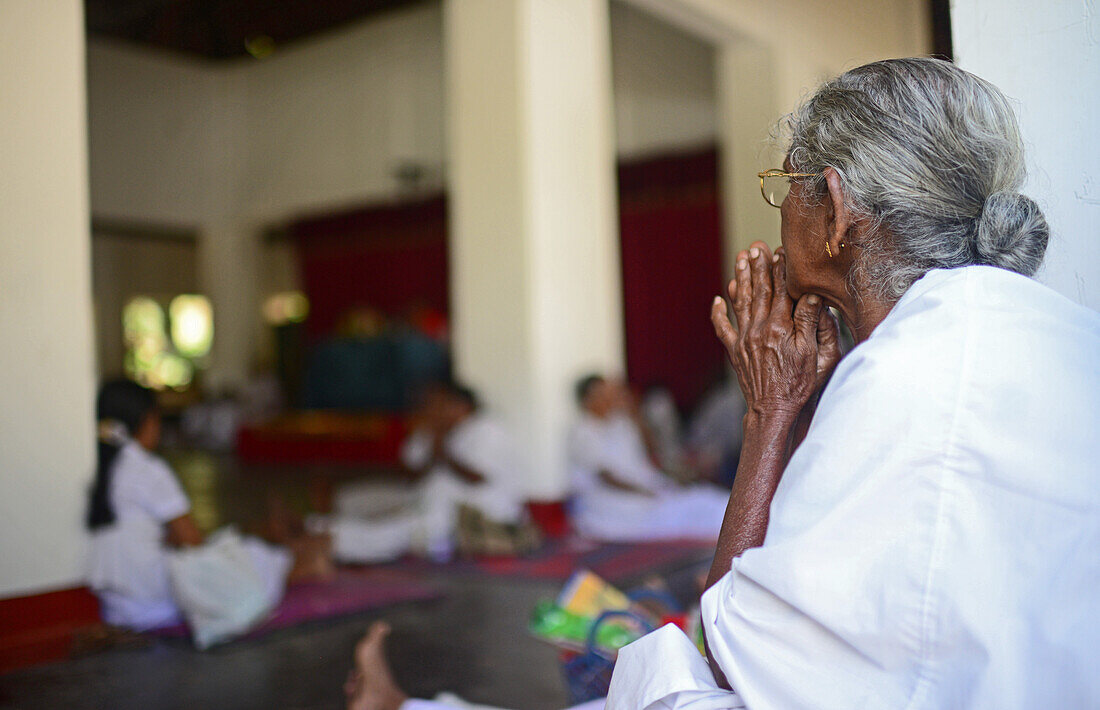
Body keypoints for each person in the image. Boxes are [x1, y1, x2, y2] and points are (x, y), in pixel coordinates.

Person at [342, 58, 1100, 710]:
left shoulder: (904, 372)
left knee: (652, 677)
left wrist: (770, 415)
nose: (779, 218)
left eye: (787, 188)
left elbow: (726, 655)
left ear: (835, 210)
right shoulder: (1042, 330)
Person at [85, 379, 316, 632]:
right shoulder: (147, 469)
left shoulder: (97, 465)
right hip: (153, 604)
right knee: (251, 555)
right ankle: (304, 562)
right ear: (147, 420)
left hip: (116, 607)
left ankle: (286, 544)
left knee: (235, 546)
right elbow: (191, 539)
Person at [318, 382, 528, 563]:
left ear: (460, 406)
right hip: (422, 498)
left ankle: (325, 540)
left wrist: (441, 449)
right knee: (355, 500)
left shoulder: (486, 429)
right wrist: (434, 442)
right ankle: (320, 529)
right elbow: (409, 476)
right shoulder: (430, 430)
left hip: (470, 512)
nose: (429, 410)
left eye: (437, 404)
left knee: (393, 531)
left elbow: (476, 478)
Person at [567, 375, 729, 541]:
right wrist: (644, 491)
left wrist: (634, 413)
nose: (610, 399)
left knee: (707, 499)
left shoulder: (619, 423)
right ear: (588, 400)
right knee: (696, 510)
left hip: (648, 490)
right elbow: (605, 476)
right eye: (604, 394)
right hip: (616, 504)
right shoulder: (583, 432)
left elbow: (650, 451)